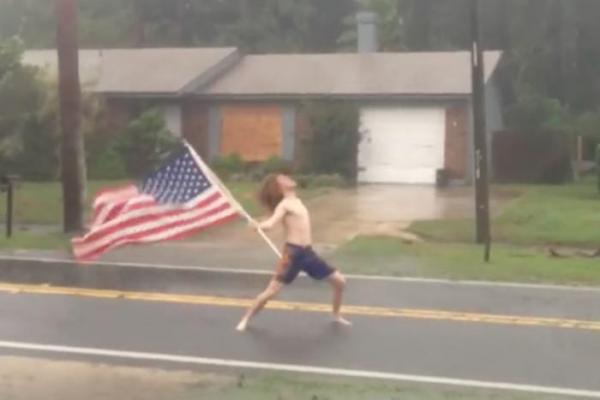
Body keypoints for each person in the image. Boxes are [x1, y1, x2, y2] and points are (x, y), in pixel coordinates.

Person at [236, 174, 351, 332]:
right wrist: (259, 225)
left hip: (308, 254)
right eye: (283, 178)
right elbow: (271, 223)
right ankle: (245, 319)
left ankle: (336, 315)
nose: (288, 178)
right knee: (271, 291)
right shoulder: (284, 205)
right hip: (293, 254)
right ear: (279, 187)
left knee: (340, 282)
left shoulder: (297, 201)